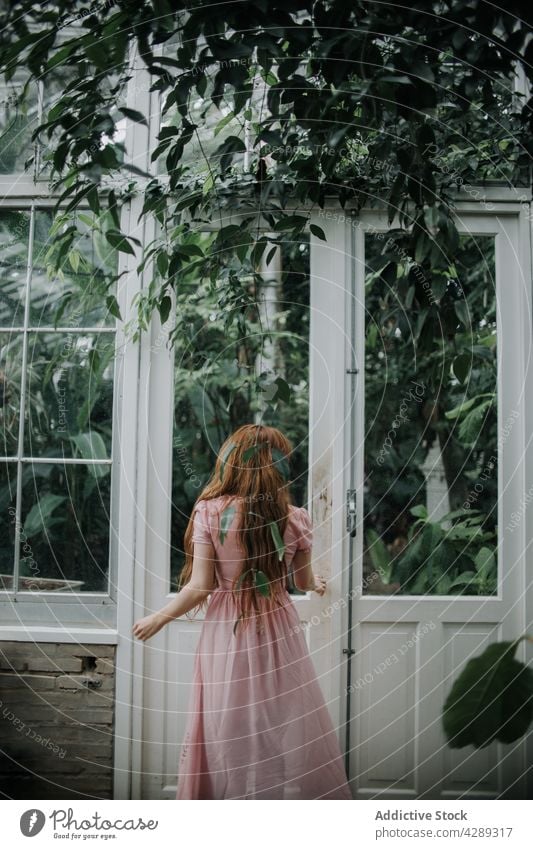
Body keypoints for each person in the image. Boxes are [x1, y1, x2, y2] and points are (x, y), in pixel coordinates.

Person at [132, 423, 352, 800]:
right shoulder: (295, 517)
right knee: (277, 723)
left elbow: (201, 585)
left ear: (231, 462)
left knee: (225, 723)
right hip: (278, 627)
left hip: (226, 629)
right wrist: (314, 583)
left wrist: (158, 617)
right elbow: (300, 581)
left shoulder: (210, 511)